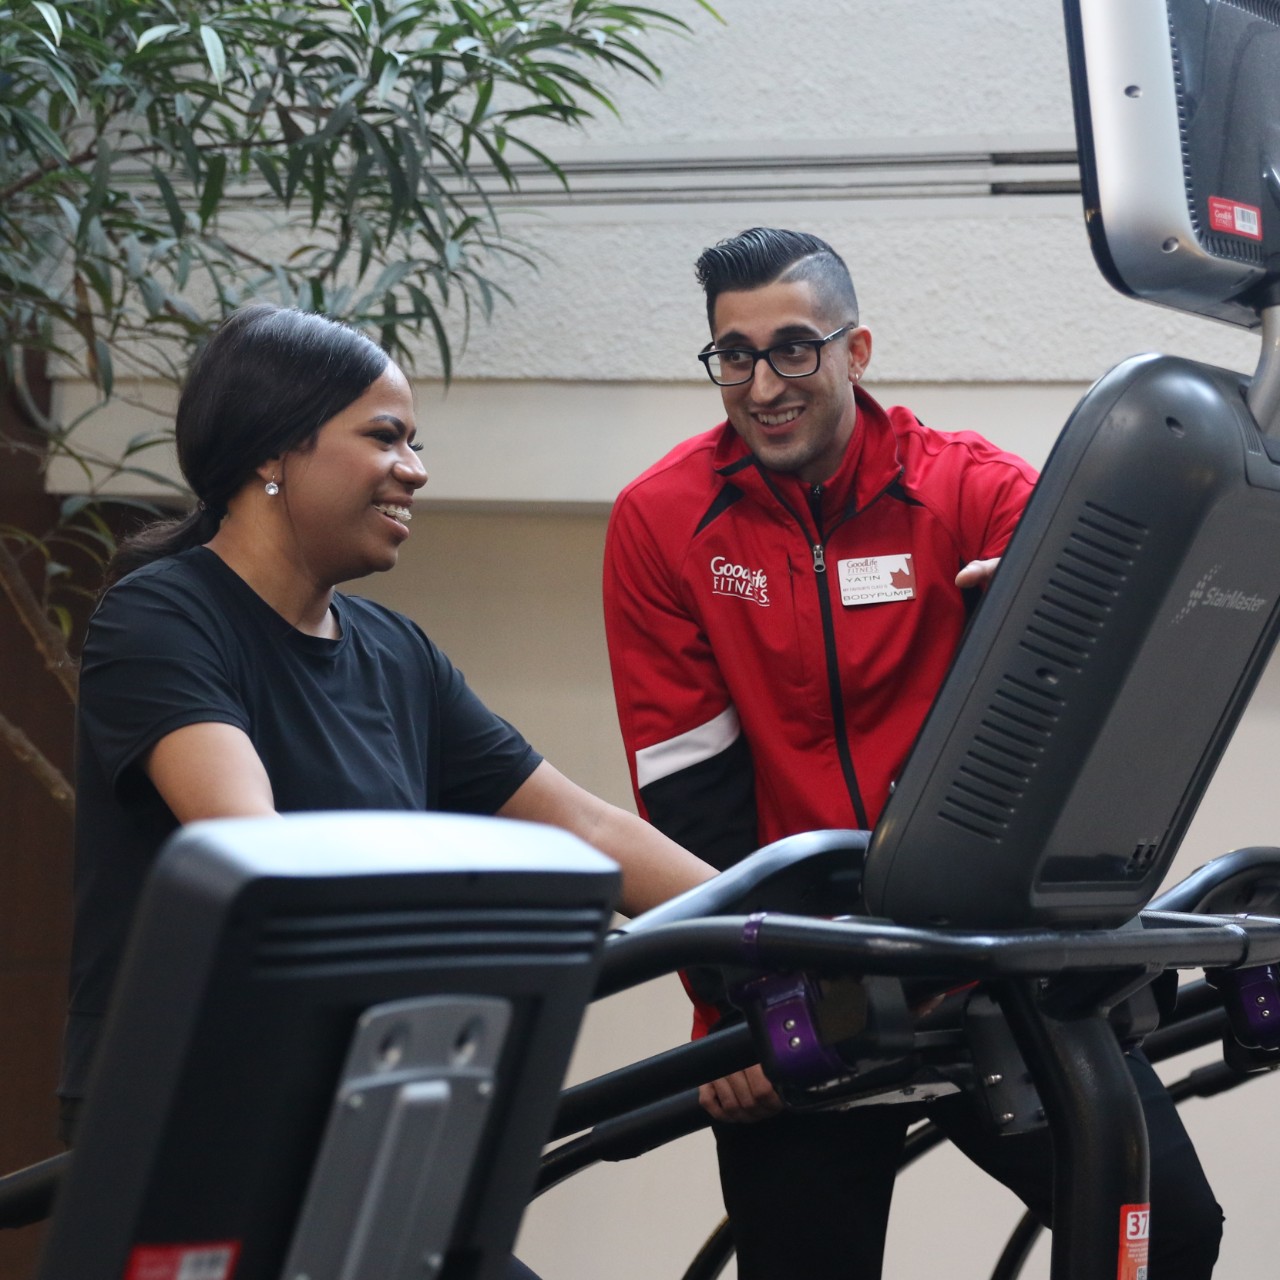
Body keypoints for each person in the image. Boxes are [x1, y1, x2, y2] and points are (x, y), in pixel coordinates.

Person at [602, 228, 1222, 1277]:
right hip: (791, 974)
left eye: (794, 347)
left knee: (1159, 1232)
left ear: (857, 349)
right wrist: (757, 1009)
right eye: (734, 355)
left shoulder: (971, 488)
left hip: (980, 964)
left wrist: (1033, 629)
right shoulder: (662, 521)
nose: (762, 383)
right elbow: (685, 800)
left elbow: (1106, 654)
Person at [59, 306, 717, 1280]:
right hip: (195, 1109)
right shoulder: (163, 618)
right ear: (276, 449)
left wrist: (775, 923)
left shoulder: (393, 654)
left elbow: (583, 826)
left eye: (416, 441)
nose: (414, 467)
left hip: (358, 1095)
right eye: (384, 436)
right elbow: (253, 847)